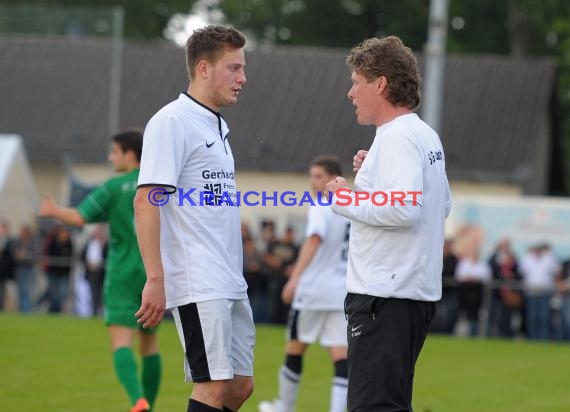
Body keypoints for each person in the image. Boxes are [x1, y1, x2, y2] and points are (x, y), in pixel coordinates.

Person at [326, 36, 452, 411]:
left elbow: (403, 210)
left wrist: (343, 198)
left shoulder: (397, 137)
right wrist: (375, 178)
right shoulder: (424, 134)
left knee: (373, 407)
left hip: (385, 295)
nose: (351, 93)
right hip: (407, 294)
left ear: (380, 84)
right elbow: (440, 204)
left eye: (356, 82)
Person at [134, 25, 254, 412]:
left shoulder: (217, 124)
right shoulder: (173, 121)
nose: (243, 78)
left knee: (240, 387)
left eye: (242, 68)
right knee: (213, 388)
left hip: (229, 278)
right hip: (198, 278)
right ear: (203, 68)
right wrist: (156, 278)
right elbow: (146, 201)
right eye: (233, 68)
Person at [39, 130, 161, 412]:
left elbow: (79, 217)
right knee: (150, 344)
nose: (110, 157)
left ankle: (138, 401)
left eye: (114, 152)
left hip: (122, 272)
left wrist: (53, 209)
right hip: (155, 273)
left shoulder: (113, 187)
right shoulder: (160, 184)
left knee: (121, 342)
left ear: (130, 155)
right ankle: (150, 406)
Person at [259, 155, 350, 412]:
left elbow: (314, 240)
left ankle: (284, 407)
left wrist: (295, 277)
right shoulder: (350, 208)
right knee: (340, 354)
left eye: (319, 176)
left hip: (313, 290)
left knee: (295, 348)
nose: (313, 181)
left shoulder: (321, 206)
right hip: (340, 292)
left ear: (334, 178)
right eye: (311, 176)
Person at [81, 225, 108, 317]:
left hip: (102, 272)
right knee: (93, 291)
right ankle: (94, 310)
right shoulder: (89, 244)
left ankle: (100, 310)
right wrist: (89, 264)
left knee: (102, 291)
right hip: (91, 272)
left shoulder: (105, 244)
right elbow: (82, 256)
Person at [13, 225, 37, 313]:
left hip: (28, 268)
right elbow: (14, 254)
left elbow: (35, 255)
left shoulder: (32, 242)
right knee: (20, 290)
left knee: (27, 289)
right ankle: (22, 309)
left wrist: (25, 255)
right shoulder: (17, 242)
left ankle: (26, 310)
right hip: (20, 268)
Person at [0, 220, 15, 310]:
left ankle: (3, 308)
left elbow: (11, 257)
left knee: (5, 291)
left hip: (5, 271)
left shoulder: (10, 241)